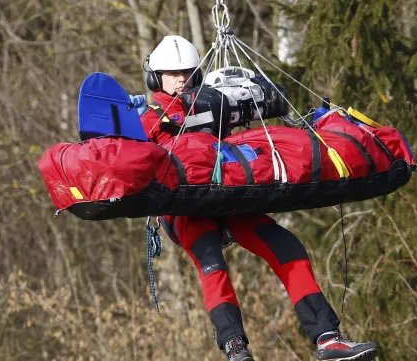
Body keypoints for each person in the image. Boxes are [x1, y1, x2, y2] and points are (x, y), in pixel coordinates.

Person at [131, 35, 381, 361]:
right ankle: (235, 346)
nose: (180, 79)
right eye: (172, 73)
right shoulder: (149, 118)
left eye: (187, 72)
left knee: (285, 245)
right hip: (184, 208)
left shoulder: (212, 104)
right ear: (156, 78)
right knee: (211, 260)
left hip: (227, 196)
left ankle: (328, 337)